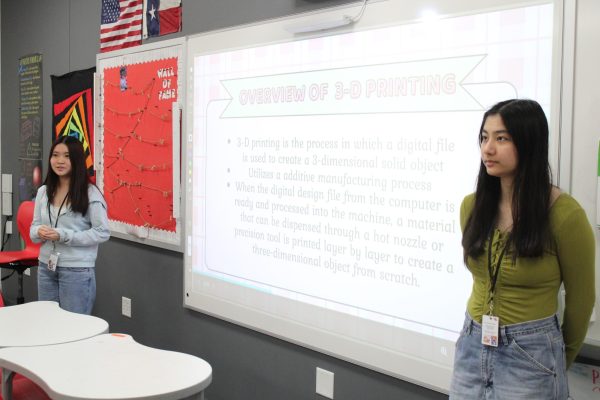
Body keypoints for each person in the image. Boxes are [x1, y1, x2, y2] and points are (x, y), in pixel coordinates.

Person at [449, 99, 595, 399]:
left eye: (501, 138)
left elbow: (582, 300)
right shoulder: (472, 207)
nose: (487, 149)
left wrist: (554, 360)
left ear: (529, 142)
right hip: (472, 343)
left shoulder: (564, 215)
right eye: (484, 137)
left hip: (532, 353)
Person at [30, 136, 110, 314]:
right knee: (47, 322)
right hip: (46, 266)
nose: (60, 161)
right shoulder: (43, 191)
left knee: (74, 328)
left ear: (76, 160)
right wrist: (38, 231)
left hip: (77, 270)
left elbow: (102, 232)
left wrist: (63, 235)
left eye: (66, 156)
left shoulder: (90, 193)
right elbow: (33, 229)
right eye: (55, 155)